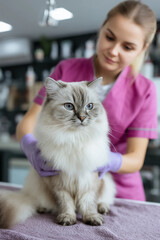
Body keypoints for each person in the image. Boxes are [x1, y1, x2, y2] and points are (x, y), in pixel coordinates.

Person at [16, 0, 158, 201]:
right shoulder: (67, 69)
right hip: (66, 180)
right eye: (109, 37)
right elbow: (29, 121)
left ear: (142, 49)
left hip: (121, 192)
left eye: (127, 47)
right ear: (101, 29)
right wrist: (31, 147)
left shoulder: (144, 90)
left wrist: (105, 161)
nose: (114, 51)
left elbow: (136, 158)